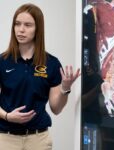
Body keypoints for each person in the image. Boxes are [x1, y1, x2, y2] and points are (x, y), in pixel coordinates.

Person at [0, 3, 80, 150]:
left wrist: (65, 88)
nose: (21, 29)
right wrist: (7, 116)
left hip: (38, 140)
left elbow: (56, 108)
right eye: (17, 24)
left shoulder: (52, 64)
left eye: (28, 25)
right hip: (6, 139)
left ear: (38, 29)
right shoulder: (2, 61)